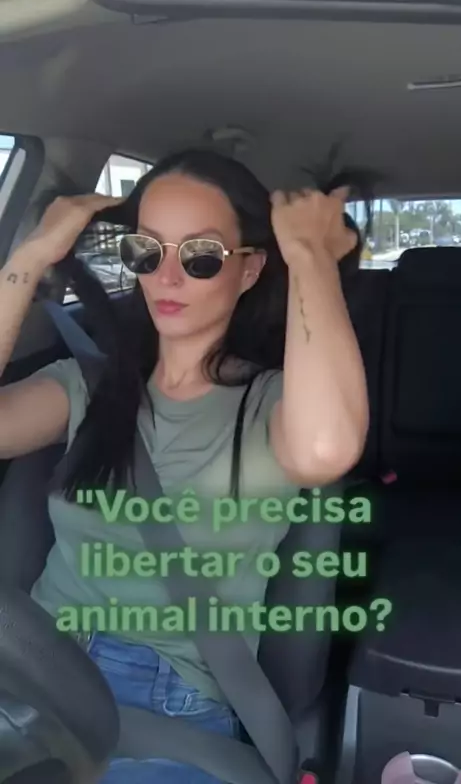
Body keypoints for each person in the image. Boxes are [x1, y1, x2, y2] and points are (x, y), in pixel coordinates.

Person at [0, 148, 369, 783]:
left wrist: (310, 256)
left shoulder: (274, 402)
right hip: (34, 665)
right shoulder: (88, 385)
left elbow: (325, 452)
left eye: (201, 256)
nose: (166, 277)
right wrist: (30, 256)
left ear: (249, 270)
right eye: (146, 251)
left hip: (167, 701)